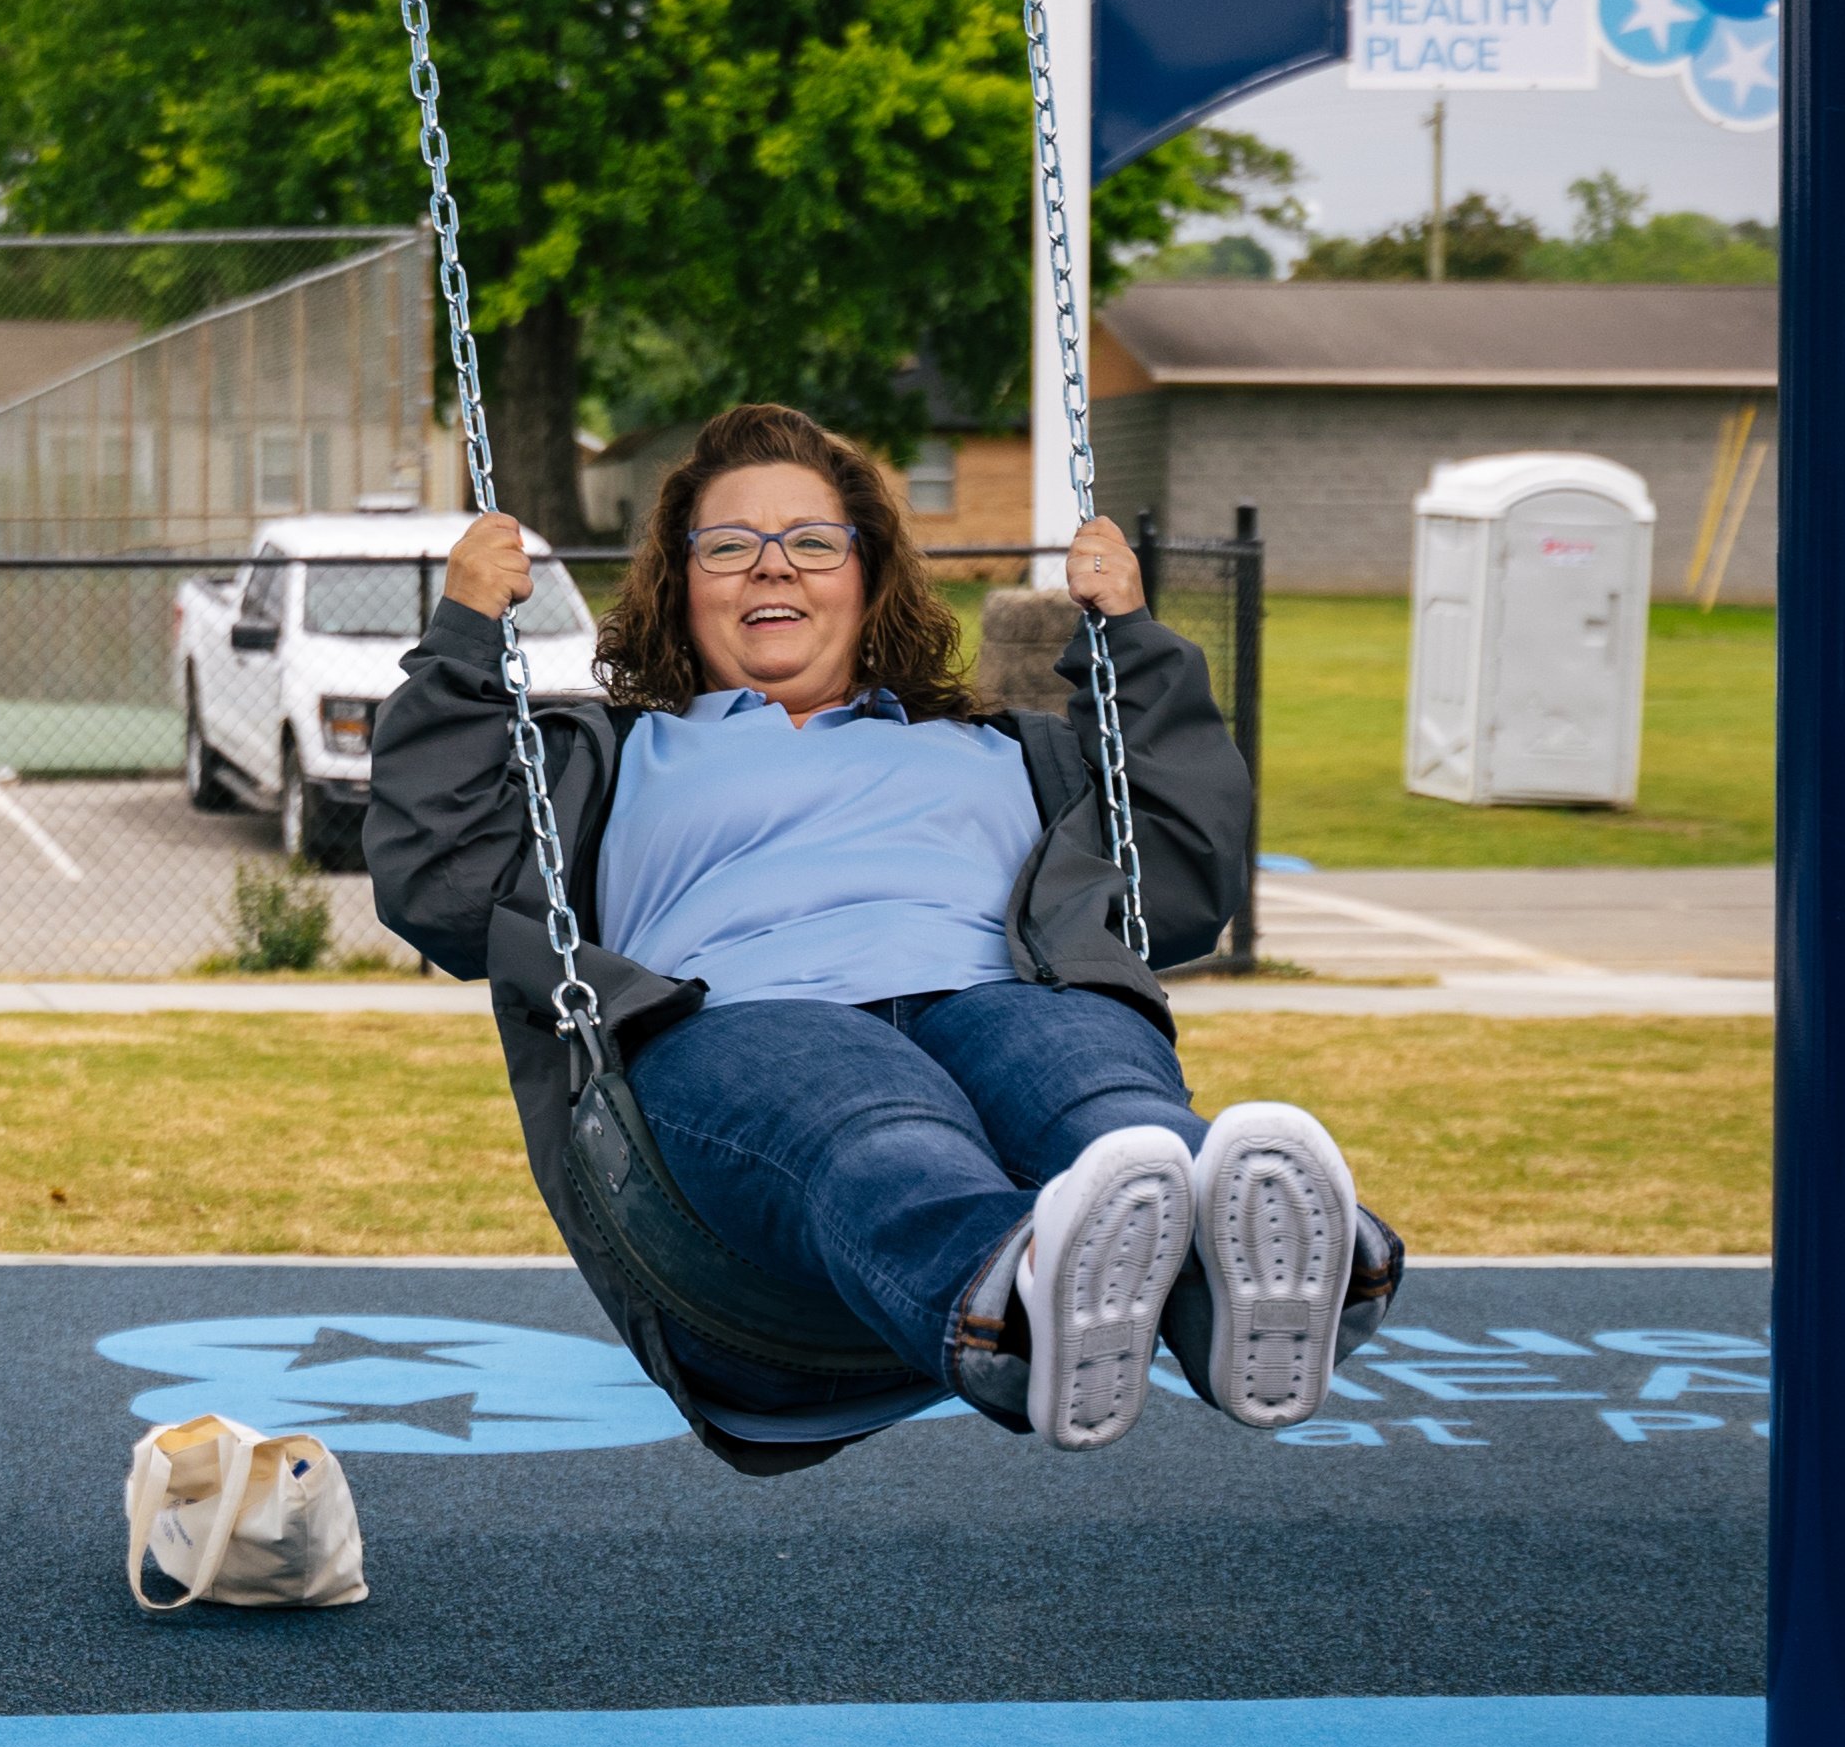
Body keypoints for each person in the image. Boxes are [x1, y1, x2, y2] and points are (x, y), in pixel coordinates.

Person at [365, 399, 1367, 1455]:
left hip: (1004, 994)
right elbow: (439, 877)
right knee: (875, 1112)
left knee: (1098, 1092)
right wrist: (467, 632)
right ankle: (1013, 1305)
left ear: (867, 573)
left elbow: (1184, 878)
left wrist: (1131, 643)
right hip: (748, 1026)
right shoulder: (605, 757)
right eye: (728, 547)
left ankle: (1268, 1287)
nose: (772, 568)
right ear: (678, 583)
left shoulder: (1009, 751)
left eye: (810, 542)